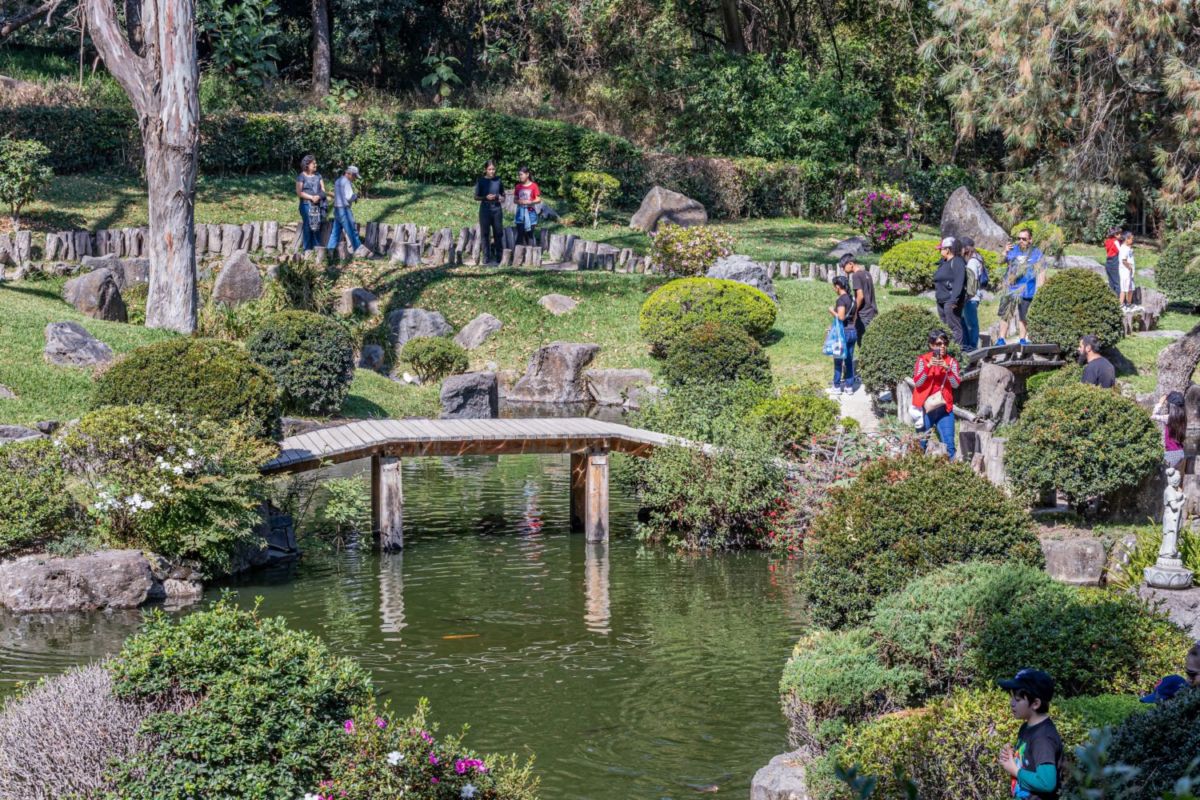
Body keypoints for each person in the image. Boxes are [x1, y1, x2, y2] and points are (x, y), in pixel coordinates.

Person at [997, 669, 1064, 800]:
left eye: (1017, 699)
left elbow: (1047, 783)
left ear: (1035, 703)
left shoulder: (1043, 738)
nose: (1011, 703)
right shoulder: (1026, 727)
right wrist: (1010, 757)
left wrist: (1015, 771)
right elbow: (1027, 763)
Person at [912, 329, 961, 459]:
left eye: (945, 343)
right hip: (926, 409)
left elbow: (956, 384)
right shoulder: (922, 360)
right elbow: (918, 383)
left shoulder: (951, 362)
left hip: (945, 408)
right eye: (939, 344)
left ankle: (953, 473)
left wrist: (948, 370)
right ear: (932, 345)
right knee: (921, 443)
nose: (942, 346)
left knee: (949, 445)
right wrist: (928, 366)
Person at [997, 228, 1044, 346]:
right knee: (1005, 314)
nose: (1020, 241)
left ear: (1030, 240)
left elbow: (1042, 272)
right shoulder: (1013, 250)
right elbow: (1000, 262)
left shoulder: (1036, 253)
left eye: (1024, 239)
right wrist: (1005, 252)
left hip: (1027, 290)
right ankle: (1001, 339)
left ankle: (1022, 339)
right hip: (1010, 289)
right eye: (1019, 238)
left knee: (1024, 316)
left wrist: (1041, 290)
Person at [933, 237, 967, 345]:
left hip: (951, 301)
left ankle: (956, 354)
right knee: (944, 328)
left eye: (941, 249)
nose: (939, 251)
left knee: (954, 327)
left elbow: (959, 281)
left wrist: (954, 300)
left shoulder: (957, 261)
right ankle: (947, 352)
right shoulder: (943, 262)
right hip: (941, 300)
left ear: (948, 249)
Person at [829, 275, 858, 394]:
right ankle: (849, 386)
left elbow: (841, 317)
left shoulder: (841, 300)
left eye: (834, 287)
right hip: (852, 331)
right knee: (849, 360)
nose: (834, 289)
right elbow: (854, 316)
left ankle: (836, 386)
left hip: (843, 333)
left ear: (838, 286)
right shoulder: (852, 299)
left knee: (838, 360)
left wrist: (831, 311)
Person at [326, 165, 365, 254]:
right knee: (352, 230)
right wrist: (355, 196)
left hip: (337, 209)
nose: (355, 178)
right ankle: (358, 250)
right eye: (355, 176)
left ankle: (329, 251)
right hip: (344, 210)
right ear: (350, 174)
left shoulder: (338, 181)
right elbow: (349, 197)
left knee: (335, 232)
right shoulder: (346, 182)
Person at [474, 160, 505, 265]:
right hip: (485, 210)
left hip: (497, 209)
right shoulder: (481, 180)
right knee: (485, 234)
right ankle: (486, 257)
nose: (492, 171)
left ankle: (499, 257)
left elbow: (503, 194)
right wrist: (485, 197)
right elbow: (476, 197)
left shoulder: (498, 180)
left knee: (498, 233)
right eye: (489, 169)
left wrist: (501, 198)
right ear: (485, 170)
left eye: (493, 169)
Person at [839, 253, 878, 337]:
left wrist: (855, 311)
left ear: (851, 264)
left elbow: (860, 296)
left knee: (863, 342)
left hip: (864, 315)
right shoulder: (867, 273)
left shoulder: (856, 276)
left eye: (843, 266)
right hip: (873, 312)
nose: (843, 269)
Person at [295, 155, 327, 251]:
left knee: (316, 227)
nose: (316, 165)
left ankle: (317, 250)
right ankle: (307, 250)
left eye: (315, 163)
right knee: (308, 226)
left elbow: (323, 190)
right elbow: (299, 192)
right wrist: (311, 197)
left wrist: (319, 196)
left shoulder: (318, 176)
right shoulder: (301, 177)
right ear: (307, 164)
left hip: (317, 205)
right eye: (314, 163)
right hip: (306, 205)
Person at [1152, 391, 1189, 469]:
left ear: (1171, 407)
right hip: (1180, 452)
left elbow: (1153, 416)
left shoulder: (1169, 418)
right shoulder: (1183, 418)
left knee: (1166, 477)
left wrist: (1160, 403)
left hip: (1171, 454)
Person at [961, 236, 985, 350]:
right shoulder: (977, 258)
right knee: (967, 322)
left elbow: (972, 280)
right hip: (973, 296)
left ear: (965, 248)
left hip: (971, 297)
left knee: (971, 324)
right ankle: (969, 345)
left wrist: (967, 296)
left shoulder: (972, 261)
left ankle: (972, 346)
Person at [513, 166, 540, 248]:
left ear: (527, 174)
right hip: (520, 213)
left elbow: (538, 199)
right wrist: (520, 201)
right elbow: (515, 200)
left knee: (530, 235)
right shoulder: (518, 186)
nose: (520, 176)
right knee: (520, 234)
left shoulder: (534, 186)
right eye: (519, 175)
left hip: (531, 213)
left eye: (521, 174)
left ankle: (531, 256)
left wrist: (530, 202)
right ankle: (517, 257)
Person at [1118, 231, 1139, 312]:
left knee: (1130, 288)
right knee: (1124, 288)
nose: (1132, 240)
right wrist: (1129, 267)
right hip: (1125, 272)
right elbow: (1123, 260)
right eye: (1131, 239)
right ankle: (1121, 305)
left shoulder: (1128, 248)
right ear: (1126, 239)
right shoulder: (1123, 248)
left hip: (1130, 273)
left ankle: (1129, 304)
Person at [1103, 227, 1122, 295]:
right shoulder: (1116, 241)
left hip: (1108, 262)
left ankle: (1111, 298)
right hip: (1114, 262)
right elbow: (1121, 252)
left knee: (1111, 282)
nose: (1120, 235)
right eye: (1119, 234)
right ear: (1115, 235)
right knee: (1117, 283)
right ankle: (1119, 300)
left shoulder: (1107, 241)